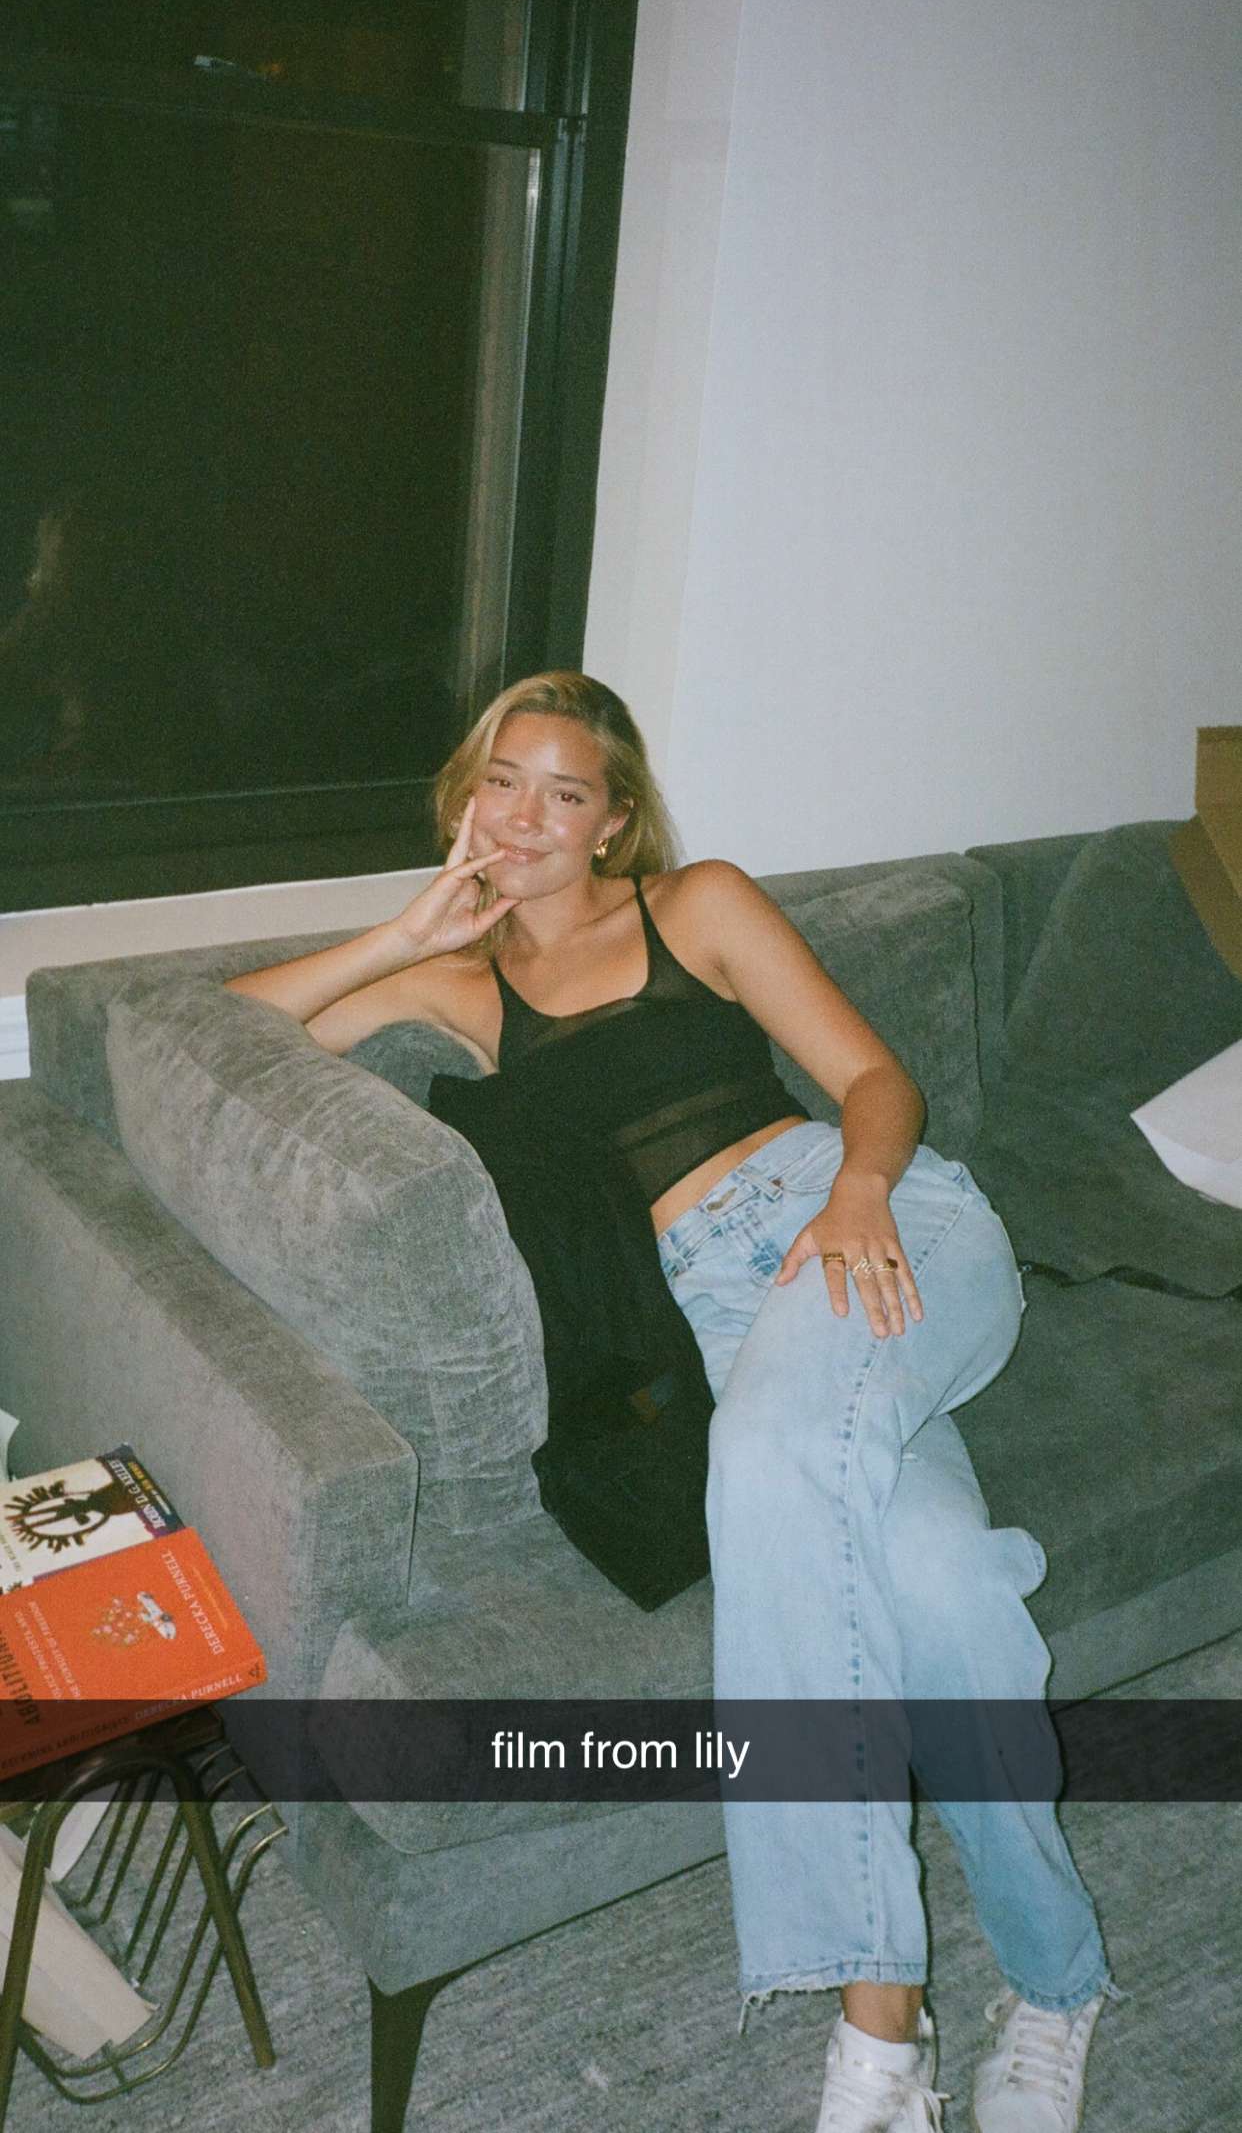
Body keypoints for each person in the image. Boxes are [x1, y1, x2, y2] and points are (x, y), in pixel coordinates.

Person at [226, 671, 1115, 2133]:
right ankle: (1059, 1982)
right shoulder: (458, 985)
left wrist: (858, 1190)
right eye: (500, 781)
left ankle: (877, 2028)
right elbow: (213, 1038)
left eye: (563, 792)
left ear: (612, 822)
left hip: (880, 1227)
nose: (524, 814)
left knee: (763, 1461)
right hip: (723, 1312)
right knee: (946, 1588)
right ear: (463, 800)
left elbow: (874, 1078)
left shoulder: (697, 906)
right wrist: (403, 933)